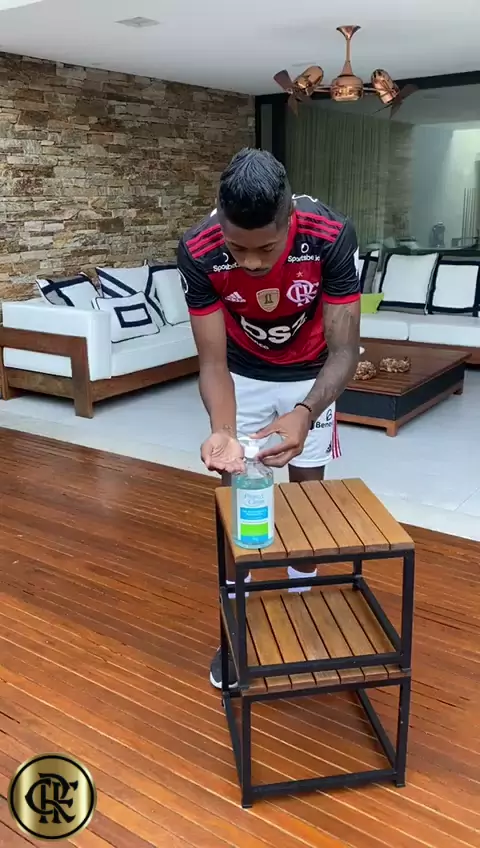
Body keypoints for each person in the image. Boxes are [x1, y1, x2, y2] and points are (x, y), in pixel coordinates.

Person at [177, 148, 360, 689]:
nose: (253, 263)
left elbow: (345, 350)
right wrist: (222, 430)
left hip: (312, 374)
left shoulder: (330, 235)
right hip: (242, 374)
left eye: (267, 248)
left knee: (307, 496)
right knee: (244, 493)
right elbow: (212, 362)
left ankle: (302, 603)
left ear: (290, 220)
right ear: (220, 220)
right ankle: (239, 620)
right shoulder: (198, 249)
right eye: (239, 249)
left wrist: (306, 412)